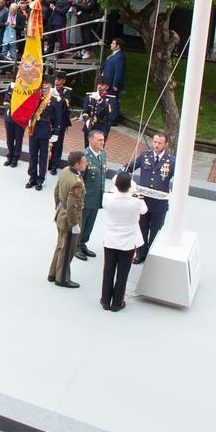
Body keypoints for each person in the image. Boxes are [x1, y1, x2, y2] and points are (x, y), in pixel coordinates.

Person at [122, 133, 175, 264]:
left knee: (156, 229)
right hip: (143, 200)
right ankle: (140, 254)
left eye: (160, 143)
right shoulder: (145, 156)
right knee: (142, 227)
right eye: (155, 142)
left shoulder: (172, 161)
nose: (156, 145)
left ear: (165, 144)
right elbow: (130, 166)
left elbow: (180, 178)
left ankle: (152, 254)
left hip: (159, 203)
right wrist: (121, 173)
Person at [99, 171, 148, 311]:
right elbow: (144, 210)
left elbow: (113, 191)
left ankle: (105, 300)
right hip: (128, 242)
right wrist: (135, 191)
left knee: (108, 270)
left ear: (116, 184)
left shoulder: (107, 198)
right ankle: (117, 303)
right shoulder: (136, 201)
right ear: (129, 187)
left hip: (111, 240)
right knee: (122, 273)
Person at [48, 151, 87, 288]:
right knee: (67, 249)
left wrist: (58, 206)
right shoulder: (76, 182)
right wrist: (74, 224)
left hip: (61, 212)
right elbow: (72, 206)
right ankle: (62, 278)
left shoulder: (65, 171)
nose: (86, 164)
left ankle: (53, 273)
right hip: (69, 218)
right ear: (77, 165)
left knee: (60, 245)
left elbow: (57, 191)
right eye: (84, 162)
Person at [77, 130, 108, 260]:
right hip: (85, 199)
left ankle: (83, 243)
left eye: (103, 139)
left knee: (90, 224)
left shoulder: (103, 154)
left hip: (97, 197)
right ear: (91, 140)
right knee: (81, 224)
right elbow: (78, 181)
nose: (102, 142)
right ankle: (76, 246)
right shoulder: (83, 157)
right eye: (99, 140)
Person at [25, 85, 53, 190]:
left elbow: (56, 118)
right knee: (32, 154)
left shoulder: (54, 99)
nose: (43, 89)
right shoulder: (34, 97)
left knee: (43, 156)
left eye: (46, 87)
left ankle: (40, 179)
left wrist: (55, 133)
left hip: (45, 131)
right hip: (33, 129)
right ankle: (32, 177)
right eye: (42, 87)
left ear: (50, 87)